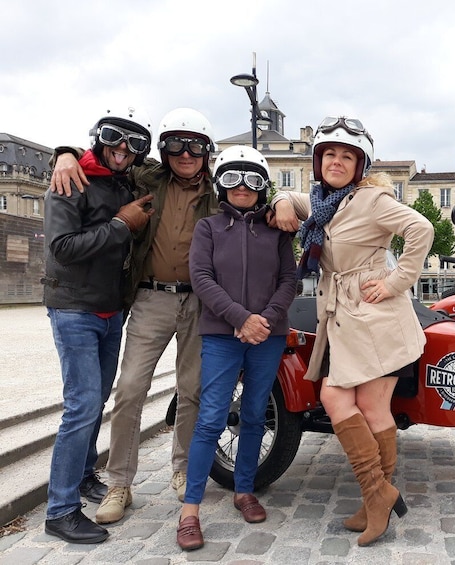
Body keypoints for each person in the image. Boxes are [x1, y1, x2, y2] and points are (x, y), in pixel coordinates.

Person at [269, 116, 434, 546]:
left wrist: (397, 282)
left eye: (347, 156)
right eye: (329, 154)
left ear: (360, 165)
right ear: (318, 160)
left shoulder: (370, 199)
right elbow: (291, 199)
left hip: (376, 317)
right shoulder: (325, 202)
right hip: (345, 318)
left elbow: (422, 229)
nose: (337, 161)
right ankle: (375, 497)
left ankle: (376, 498)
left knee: (355, 403)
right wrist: (285, 200)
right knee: (353, 401)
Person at [50, 108, 219, 524]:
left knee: (192, 389)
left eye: (195, 145)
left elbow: (259, 193)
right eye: (176, 144)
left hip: (200, 301)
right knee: (128, 389)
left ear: (207, 152)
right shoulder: (145, 178)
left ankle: (183, 471)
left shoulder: (220, 190)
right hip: (151, 297)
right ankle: (119, 481)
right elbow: (108, 155)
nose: (185, 153)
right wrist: (65, 152)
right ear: (163, 149)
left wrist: (286, 199)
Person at [176, 146, 297, 550]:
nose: (241, 186)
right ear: (220, 184)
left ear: (262, 186)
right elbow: (202, 277)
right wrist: (239, 318)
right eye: (231, 177)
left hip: (267, 335)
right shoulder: (208, 228)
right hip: (222, 334)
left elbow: (288, 279)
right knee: (211, 419)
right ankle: (190, 509)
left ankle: (244, 490)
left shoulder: (278, 232)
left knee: (253, 415)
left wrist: (265, 319)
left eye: (250, 178)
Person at [42, 107, 154, 543]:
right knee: (83, 403)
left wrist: (64, 150)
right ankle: (60, 509)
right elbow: (64, 248)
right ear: (97, 137)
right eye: (114, 138)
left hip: (111, 309)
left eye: (134, 144)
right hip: (74, 308)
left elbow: (176, 162)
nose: (123, 150)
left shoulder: (124, 178)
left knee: (98, 398)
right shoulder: (70, 181)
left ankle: (85, 477)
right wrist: (121, 224)